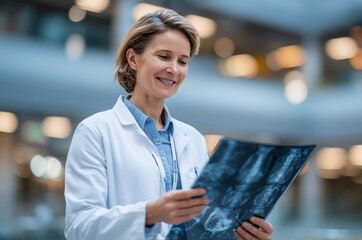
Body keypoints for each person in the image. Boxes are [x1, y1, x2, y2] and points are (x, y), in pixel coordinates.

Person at [64, 9, 274, 240]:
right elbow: (79, 227)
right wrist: (148, 214)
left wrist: (239, 234)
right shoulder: (95, 131)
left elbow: (202, 225)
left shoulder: (192, 139)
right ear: (132, 58)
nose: (174, 69)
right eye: (164, 57)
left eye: (182, 61)